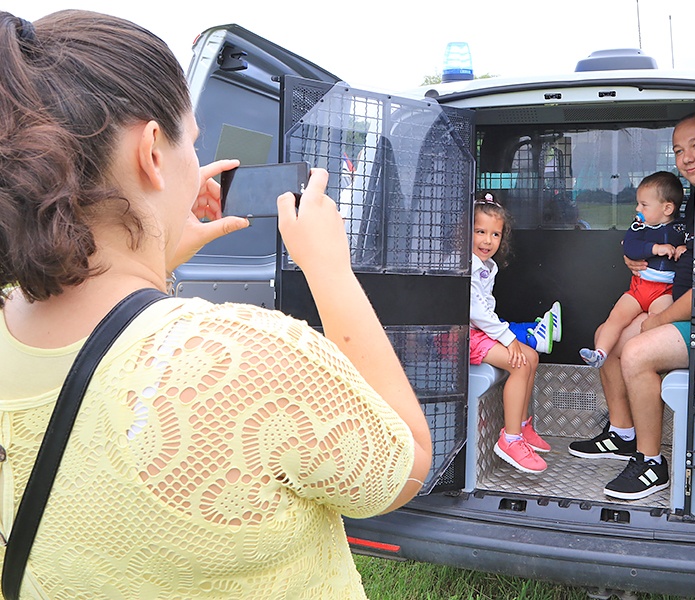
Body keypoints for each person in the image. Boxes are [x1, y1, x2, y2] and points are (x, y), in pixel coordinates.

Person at [0, 10, 431, 599]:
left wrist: (153, 247)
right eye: (191, 142)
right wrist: (330, 271)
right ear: (152, 151)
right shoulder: (254, 357)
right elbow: (405, 467)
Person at [568, 114, 695, 500]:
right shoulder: (694, 202)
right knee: (608, 338)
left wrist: (658, 319)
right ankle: (623, 433)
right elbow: (653, 240)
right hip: (678, 303)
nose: (687, 157)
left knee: (638, 351)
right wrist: (638, 257)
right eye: (678, 150)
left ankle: (650, 462)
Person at [470, 195, 561, 474]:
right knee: (519, 362)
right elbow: (475, 311)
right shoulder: (467, 265)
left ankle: (521, 426)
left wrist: (504, 336)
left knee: (531, 356)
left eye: (495, 234)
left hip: (478, 332)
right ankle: (509, 439)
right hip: (462, 337)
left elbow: (486, 310)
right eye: (480, 232)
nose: (488, 241)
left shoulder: (488, 266)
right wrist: (507, 338)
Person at [580, 171, 688, 369]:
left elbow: (694, 244)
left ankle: (647, 361)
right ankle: (600, 353)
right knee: (616, 317)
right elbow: (630, 247)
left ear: (667, 208)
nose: (638, 208)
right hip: (640, 287)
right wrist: (654, 248)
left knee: (654, 323)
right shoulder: (640, 227)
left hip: (664, 291)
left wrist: (684, 248)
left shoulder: (681, 228)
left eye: (644, 205)